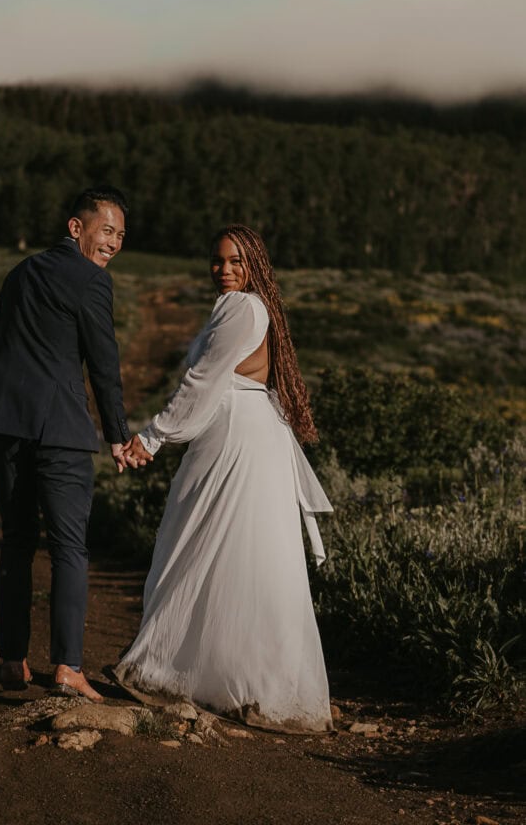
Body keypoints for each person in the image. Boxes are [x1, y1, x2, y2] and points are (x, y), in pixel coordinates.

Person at [116, 224, 333, 731]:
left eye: (236, 260)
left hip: (236, 438)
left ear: (255, 262)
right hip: (249, 435)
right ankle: (234, 679)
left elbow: (203, 380)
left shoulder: (241, 308)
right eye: (218, 260)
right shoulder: (254, 308)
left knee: (197, 545)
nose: (225, 269)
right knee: (238, 553)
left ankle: (175, 670)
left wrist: (151, 436)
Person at [0, 186, 134, 701]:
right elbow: (104, 365)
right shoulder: (92, 282)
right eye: (107, 230)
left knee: (17, 540)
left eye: (122, 235)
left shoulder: (18, 274)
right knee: (69, 548)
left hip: (1, 424)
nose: (115, 243)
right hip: (58, 430)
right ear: (75, 227)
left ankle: (12, 662)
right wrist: (119, 435)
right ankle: (67, 667)